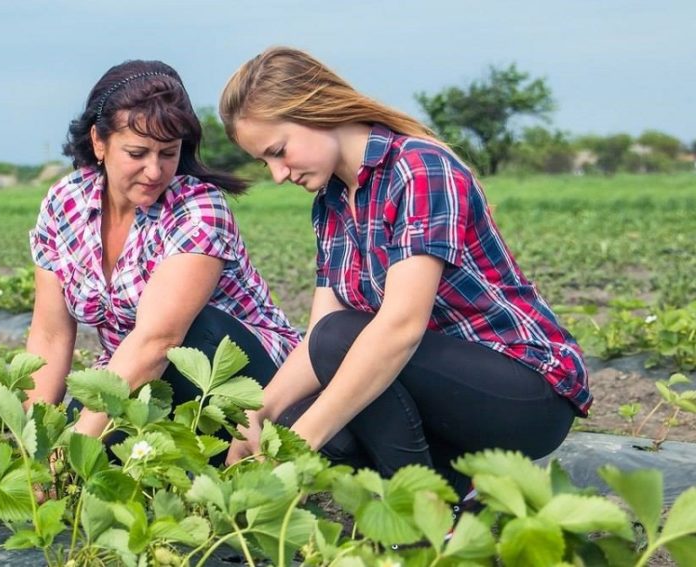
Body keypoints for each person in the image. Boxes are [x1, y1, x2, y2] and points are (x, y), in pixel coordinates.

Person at [219, 47, 592, 497]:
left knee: (339, 356)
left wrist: (301, 444)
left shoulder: (418, 168)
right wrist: (258, 414)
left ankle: (421, 513)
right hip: (446, 390)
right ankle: (450, 494)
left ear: (314, 109)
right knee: (301, 405)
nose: (278, 174)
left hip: (525, 391)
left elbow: (398, 328)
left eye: (278, 152)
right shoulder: (332, 203)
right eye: (265, 162)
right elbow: (318, 336)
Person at [25, 60, 300, 441]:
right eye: (137, 153)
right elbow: (50, 335)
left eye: (167, 153)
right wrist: (35, 440)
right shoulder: (65, 203)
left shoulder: (198, 209)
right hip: (146, 378)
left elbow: (159, 340)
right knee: (73, 440)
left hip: (251, 379)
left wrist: (76, 446)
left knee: (191, 332)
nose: (154, 171)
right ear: (99, 142)